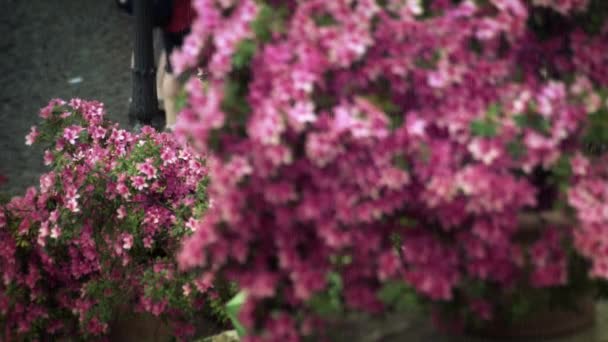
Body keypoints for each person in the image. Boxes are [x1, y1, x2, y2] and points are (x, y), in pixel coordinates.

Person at [160, 0, 195, 131]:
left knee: (171, 71)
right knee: (202, 71)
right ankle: (202, 113)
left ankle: (171, 123)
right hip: (188, 21)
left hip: (170, 23)